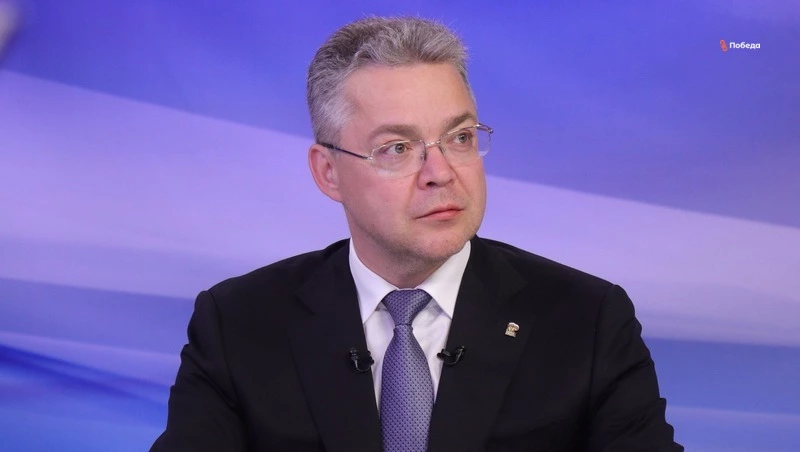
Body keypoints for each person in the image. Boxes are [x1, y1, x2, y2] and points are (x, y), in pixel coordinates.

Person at [151, 16, 682, 452]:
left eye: (460, 137)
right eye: (398, 148)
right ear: (328, 172)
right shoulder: (238, 323)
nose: (441, 172)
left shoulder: (587, 320)